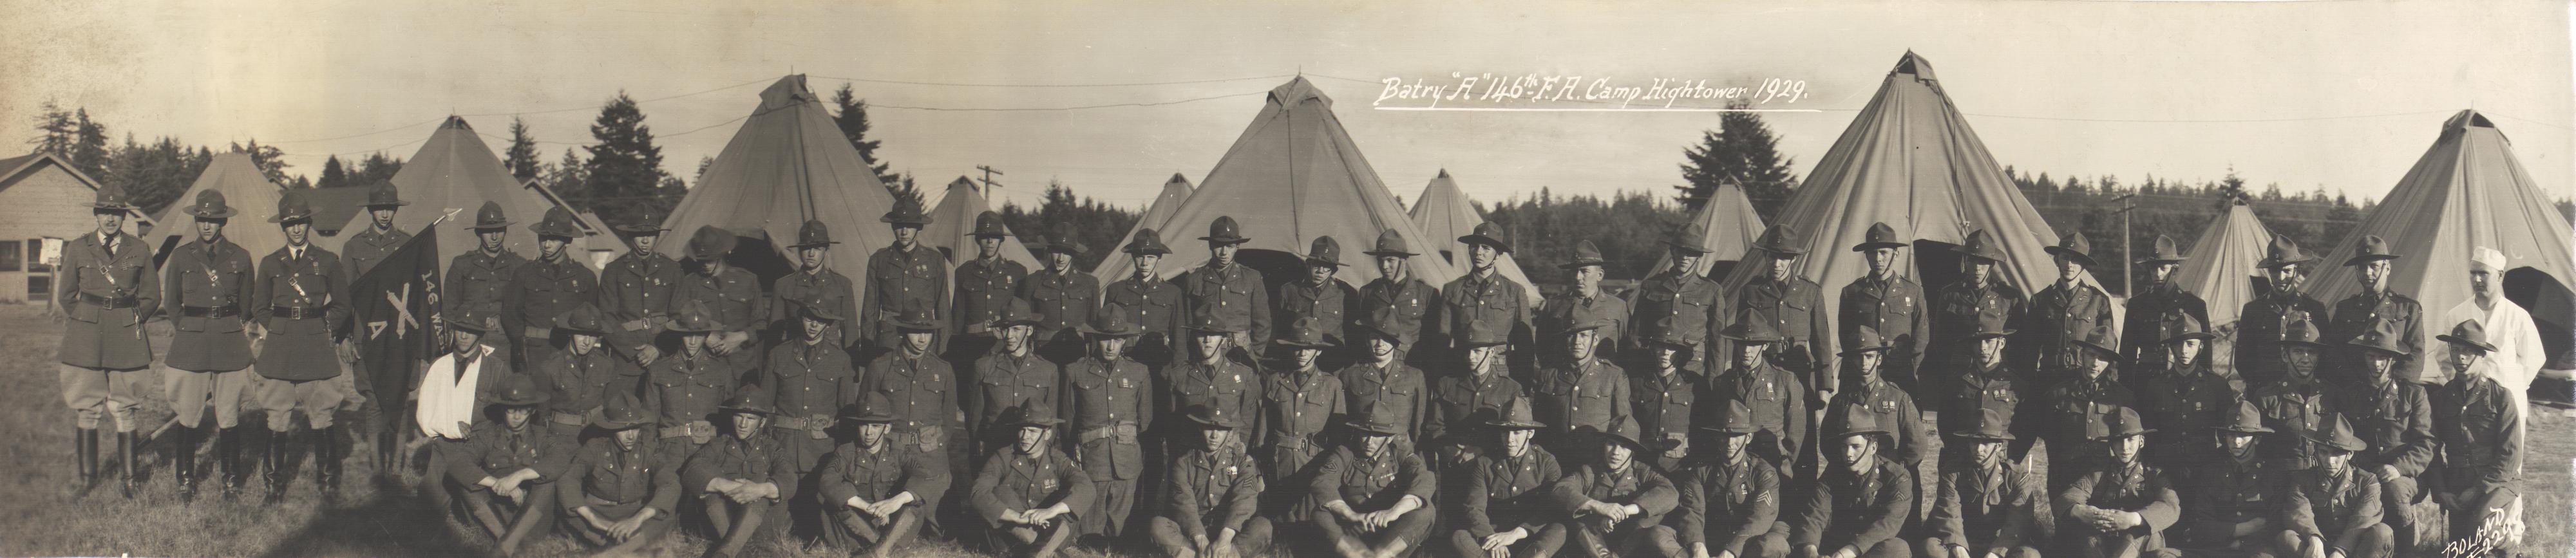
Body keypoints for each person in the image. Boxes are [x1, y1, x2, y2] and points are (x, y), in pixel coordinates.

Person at [253, 190, 356, 503]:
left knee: (322, 414)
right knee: (277, 416)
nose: (296, 229)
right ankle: (273, 487)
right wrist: (279, 329)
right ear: (283, 227)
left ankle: (328, 484)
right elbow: (259, 307)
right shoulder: (270, 263)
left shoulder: (327, 261)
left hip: (315, 345)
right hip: (280, 348)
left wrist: (324, 328)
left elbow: (343, 304)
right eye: (290, 224)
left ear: (310, 224)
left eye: (301, 223)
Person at [160, 190, 255, 502]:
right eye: (202, 219)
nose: (206, 225)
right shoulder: (181, 256)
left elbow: (246, 303)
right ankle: (186, 479)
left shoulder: (241, 257)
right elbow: (172, 302)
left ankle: (231, 479)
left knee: (229, 413)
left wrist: (229, 325)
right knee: (188, 413)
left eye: (213, 220)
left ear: (223, 221)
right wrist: (189, 328)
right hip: (192, 341)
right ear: (196, 220)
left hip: (229, 340)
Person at [2331, 321, 2436, 549]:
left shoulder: (2413, 394)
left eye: (2383, 357)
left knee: (2394, 489)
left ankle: (2407, 551)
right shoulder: (2353, 395)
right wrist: (2365, 469)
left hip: (2406, 476)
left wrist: (2398, 468)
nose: (2377, 364)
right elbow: (2347, 440)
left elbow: (2426, 444)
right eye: (2371, 356)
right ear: (2364, 356)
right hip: (2365, 471)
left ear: (2394, 359)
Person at [339, 183, 419, 475]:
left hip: (399, 336)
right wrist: (344, 336)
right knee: (374, 399)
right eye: (379, 209)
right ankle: (377, 468)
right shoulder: (354, 246)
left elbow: (418, 293)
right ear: (370, 211)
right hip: (368, 335)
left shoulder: (409, 244)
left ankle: (396, 467)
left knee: (399, 399)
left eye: (390, 208)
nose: (385, 214)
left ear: (395, 210)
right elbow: (345, 297)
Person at [2428, 320, 2524, 553]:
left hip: (2497, 482)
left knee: (2482, 530)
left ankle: (2510, 549)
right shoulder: (2442, 398)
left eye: (2468, 351)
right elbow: (2431, 448)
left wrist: (2479, 488)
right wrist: (2442, 491)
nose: (2461, 357)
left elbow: (2510, 455)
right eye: (2456, 350)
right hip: (2458, 482)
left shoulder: (2501, 397)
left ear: (2482, 356)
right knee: (2462, 551)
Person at [857, 306, 960, 523]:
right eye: (916, 332)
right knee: (883, 517)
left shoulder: (943, 369)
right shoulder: (880, 367)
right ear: (902, 332)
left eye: (928, 332)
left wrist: (935, 445)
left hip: (930, 454)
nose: (923, 339)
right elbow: (864, 412)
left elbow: (949, 419)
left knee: (940, 524)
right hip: (892, 452)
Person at [446, 375, 567, 557]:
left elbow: (561, 458)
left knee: (547, 482)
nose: (517, 416)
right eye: (511, 410)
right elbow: (458, 462)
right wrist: (496, 483)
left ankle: (505, 547)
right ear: (503, 409)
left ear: (533, 410)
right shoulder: (489, 434)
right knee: (469, 482)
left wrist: (519, 476)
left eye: (523, 410)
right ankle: (510, 543)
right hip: (494, 514)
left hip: (531, 515)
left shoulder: (542, 436)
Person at [766, 295, 857, 539]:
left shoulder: (841, 359)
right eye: (809, 318)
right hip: (783, 444)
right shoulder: (778, 354)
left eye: (821, 320)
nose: (814, 325)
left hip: (820, 448)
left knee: (816, 514)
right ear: (800, 318)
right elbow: (764, 406)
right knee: (774, 524)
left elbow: (847, 412)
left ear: (829, 324)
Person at [2437, 247, 2546, 449]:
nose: (2477, 279)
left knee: (2509, 457)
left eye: (2484, 273)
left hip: (2508, 402)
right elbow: (2444, 356)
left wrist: (2509, 385)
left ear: (2500, 276)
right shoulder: (2456, 315)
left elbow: (2534, 359)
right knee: (2470, 457)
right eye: (2473, 273)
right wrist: (2464, 382)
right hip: (2468, 402)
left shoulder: (2517, 316)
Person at [819, 393, 951, 558]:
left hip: (893, 523)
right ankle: (886, 548)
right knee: (835, 501)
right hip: (858, 523)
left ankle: (876, 552)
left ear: (886, 428)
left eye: (875, 426)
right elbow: (827, 481)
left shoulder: (899, 451)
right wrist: (865, 507)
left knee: (915, 501)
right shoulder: (846, 452)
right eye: (864, 425)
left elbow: (925, 477)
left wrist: (896, 501)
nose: (869, 432)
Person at [1064, 304, 1155, 542]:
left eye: (1117, 340)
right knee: (1090, 534)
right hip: (1093, 461)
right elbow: (1068, 422)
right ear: (1096, 338)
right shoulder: (1075, 372)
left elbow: (1145, 421)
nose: (1111, 346)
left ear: (1125, 340)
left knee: (1120, 533)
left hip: (1127, 461)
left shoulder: (1139, 372)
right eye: (1105, 339)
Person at [560, 391, 683, 553]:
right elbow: (568, 479)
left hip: (634, 513)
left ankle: (610, 552)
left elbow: (670, 483)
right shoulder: (594, 447)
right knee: (570, 508)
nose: (631, 436)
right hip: (599, 512)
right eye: (623, 429)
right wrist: (593, 519)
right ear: (611, 428)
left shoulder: (649, 449)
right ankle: (626, 547)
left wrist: (638, 519)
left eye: (635, 428)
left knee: (666, 511)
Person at [1442, 398, 1566, 558]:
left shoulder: (1546, 462)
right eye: (1505, 432)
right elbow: (1474, 508)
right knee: (1459, 537)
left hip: (1529, 538)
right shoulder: (1485, 463)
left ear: (1530, 433)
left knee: (1559, 530)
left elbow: (1552, 508)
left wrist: (1516, 533)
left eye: (1517, 432)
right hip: (1495, 537)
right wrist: (1491, 538)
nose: (1509, 440)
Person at [969, 402, 1094, 558]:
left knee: (1069, 499)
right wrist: (1016, 517)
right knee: (1000, 492)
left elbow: (1087, 488)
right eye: (1022, 429)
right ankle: (1047, 552)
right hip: (1012, 535)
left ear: (1047, 434)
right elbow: (978, 493)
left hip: (1049, 529)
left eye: (1032, 431)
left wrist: (1051, 511)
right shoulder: (1003, 457)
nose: (1025, 436)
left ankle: (1039, 552)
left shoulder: (1058, 460)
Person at [1311, 404, 1437, 558]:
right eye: (1365, 434)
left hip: (1389, 531)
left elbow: (1425, 479)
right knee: (1320, 514)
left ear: (1390, 438)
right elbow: (1323, 483)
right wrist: (1350, 514)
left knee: (1427, 511)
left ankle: (1380, 556)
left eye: (1377, 435)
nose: (1369, 442)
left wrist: (1395, 511)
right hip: (1354, 530)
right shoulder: (1345, 453)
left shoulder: (1400, 454)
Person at [683, 385, 793, 558]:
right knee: (711, 490)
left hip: (761, 528)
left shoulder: (772, 449)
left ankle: (724, 553)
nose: (743, 424)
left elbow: (789, 480)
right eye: (739, 416)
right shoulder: (719, 445)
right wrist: (725, 486)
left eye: (750, 418)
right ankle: (735, 553)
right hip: (724, 523)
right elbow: (692, 469)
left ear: (762, 422)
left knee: (761, 490)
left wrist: (759, 490)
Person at [2054, 407, 2181, 558]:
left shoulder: (2155, 474)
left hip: (2141, 546)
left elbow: (2170, 506)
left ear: (2141, 441)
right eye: (2118, 440)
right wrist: (2083, 512)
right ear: (2111, 444)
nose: (2125, 447)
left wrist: (2133, 519)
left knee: (2143, 536)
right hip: (2106, 543)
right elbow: (2067, 497)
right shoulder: (2100, 472)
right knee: (2087, 540)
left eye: (2130, 439)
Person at [1152, 405, 1274, 558]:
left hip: (1230, 531)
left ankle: (1228, 555)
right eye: (1209, 428)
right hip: (1193, 533)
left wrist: (1225, 538)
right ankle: (1200, 555)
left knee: (1263, 527)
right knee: (1157, 526)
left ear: (1229, 433)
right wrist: (1200, 539)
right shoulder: (1183, 463)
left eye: (1221, 429)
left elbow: (1244, 500)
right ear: (1200, 428)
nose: (1214, 436)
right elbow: (1184, 504)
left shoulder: (1242, 462)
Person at [1821, 326, 1927, 499]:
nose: (1864, 362)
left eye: (1869, 356)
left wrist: (1896, 470)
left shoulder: (1898, 398)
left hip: (1890, 482)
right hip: (1854, 482)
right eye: (1859, 357)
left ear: (1879, 359)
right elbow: (1828, 443)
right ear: (1851, 360)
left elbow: (1917, 445)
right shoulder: (1841, 402)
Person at [1259, 315, 1344, 528]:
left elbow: (1338, 436)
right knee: (1281, 521)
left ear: (1319, 351)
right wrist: (1260, 466)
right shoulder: (1275, 381)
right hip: (1280, 461)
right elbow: (1263, 429)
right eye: (1297, 347)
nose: (1303, 353)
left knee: (1311, 521)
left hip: (1314, 462)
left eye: (1309, 348)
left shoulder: (1331, 385)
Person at [2170, 402, 2286, 558]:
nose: (2236, 441)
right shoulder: (2212, 472)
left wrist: (2242, 543)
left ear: (2257, 439)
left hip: (2255, 550)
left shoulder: (2273, 474)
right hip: (2217, 549)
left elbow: (2275, 525)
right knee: (2162, 555)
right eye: (2231, 435)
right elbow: (2200, 526)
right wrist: (2244, 528)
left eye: (2243, 435)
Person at [420, 310, 507, 516]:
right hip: (446, 445)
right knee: (429, 508)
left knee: (479, 510)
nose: (464, 336)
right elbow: (424, 413)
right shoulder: (440, 365)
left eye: (471, 331)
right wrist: (450, 426)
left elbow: (506, 414)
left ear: (480, 334)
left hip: (481, 447)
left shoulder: (496, 367)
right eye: (459, 329)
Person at [1733, 225, 1833, 404]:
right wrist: (1737, 379)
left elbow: (1821, 343)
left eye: (1784, 258)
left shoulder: (1810, 292)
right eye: (1772, 256)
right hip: (1763, 371)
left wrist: (1824, 386)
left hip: (1800, 373)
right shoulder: (1751, 291)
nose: (1777, 264)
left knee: (1801, 420)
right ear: (1765, 255)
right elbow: (1740, 340)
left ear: (1793, 258)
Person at [1678, 400, 1790, 558]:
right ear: (1716, 437)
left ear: (1749, 437)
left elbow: (1760, 519)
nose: (1730, 442)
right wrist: (1698, 547)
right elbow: (1692, 512)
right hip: (1716, 537)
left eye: (1737, 435)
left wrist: (1731, 552)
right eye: (1724, 435)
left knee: (1774, 545)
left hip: (1750, 541)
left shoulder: (1764, 473)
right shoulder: (1700, 471)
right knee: (1660, 537)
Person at [1550, 426, 1684, 558]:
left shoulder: (1643, 472)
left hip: (1633, 546)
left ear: (1633, 451)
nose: (1616, 452)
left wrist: (1624, 511)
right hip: (1596, 544)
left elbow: (1670, 493)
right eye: (1611, 444)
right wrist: (1599, 507)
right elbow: (1560, 490)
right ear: (1604, 445)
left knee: (1654, 519)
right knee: (1578, 515)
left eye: (1624, 446)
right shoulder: (1589, 471)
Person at [1926, 230, 2026, 404]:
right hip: (1961, 374)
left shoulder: (2008, 297)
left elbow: (2021, 341)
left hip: (1996, 374)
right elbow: (1940, 338)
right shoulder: (1951, 294)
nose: (1977, 268)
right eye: (1972, 260)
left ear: (1992, 264)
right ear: (1965, 261)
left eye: (1983, 262)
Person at [1792, 414, 1914, 558]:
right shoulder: (1833, 473)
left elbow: (1887, 525)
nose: (1848, 454)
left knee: (1897, 549)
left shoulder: (1897, 477)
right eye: (1844, 446)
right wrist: (1811, 552)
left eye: (1856, 447)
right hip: (1836, 545)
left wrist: (1847, 553)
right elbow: (1815, 514)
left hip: (1869, 549)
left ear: (1873, 447)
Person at [1924, 407, 2039, 558]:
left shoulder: (2016, 476)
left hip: (1999, 542)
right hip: (1964, 540)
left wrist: (1995, 553)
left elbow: (2018, 523)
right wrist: (1959, 548)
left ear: (1998, 446)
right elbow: (1949, 513)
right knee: (1931, 548)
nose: (1979, 449)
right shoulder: (1953, 472)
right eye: (1974, 441)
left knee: (2029, 555)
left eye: (1986, 443)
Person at [645, 301, 739, 485]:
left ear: (706, 335)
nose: (693, 341)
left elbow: (728, 421)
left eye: (699, 335)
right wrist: (650, 455)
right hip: (668, 453)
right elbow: (649, 419)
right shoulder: (659, 370)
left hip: (707, 452)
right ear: (680, 334)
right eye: (688, 335)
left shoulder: (721, 370)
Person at [2138, 311, 2242, 472]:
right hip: (2166, 469)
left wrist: (2220, 471)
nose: (2184, 350)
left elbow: (2227, 434)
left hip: (2206, 469)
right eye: (2179, 344)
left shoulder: (2217, 386)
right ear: (2171, 347)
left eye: (2190, 344)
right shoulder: (2156, 386)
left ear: (2201, 347)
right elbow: (2149, 436)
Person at [2037, 324, 2135, 492]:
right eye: (2091, 355)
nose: (2095, 363)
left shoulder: (2123, 398)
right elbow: (2050, 440)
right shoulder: (2058, 394)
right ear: (2081, 355)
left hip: (2105, 480)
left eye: (2102, 358)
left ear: (2110, 363)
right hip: (2066, 478)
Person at [2278, 416, 2393, 558]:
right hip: (2318, 550)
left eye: (2337, 453)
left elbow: (2363, 519)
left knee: (2382, 532)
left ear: (2350, 454)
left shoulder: (2367, 481)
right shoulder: (2302, 480)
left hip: (2354, 549)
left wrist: (2341, 551)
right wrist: (2315, 539)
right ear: (2316, 452)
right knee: (2287, 537)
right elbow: (2299, 513)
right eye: (2324, 452)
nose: (2330, 461)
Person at [1710, 319, 1808, 476]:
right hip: (1734, 468)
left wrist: (1785, 463)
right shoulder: (1723, 383)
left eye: (1753, 344)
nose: (1746, 350)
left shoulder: (1785, 381)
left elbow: (1795, 432)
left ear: (1766, 345)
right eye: (1742, 344)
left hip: (1773, 466)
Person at [1531, 313, 1633, 465]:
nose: (1577, 341)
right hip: (1557, 461)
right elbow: (1539, 424)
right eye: (1571, 335)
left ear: (1595, 340)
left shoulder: (1613, 375)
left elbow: (1623, 426)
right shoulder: (1549, 375)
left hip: (1596, 463)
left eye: (1584, 335)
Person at [1839, 223, 1929, 394]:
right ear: (1866, 256)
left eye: (1884, 252)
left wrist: (1915, 374)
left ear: (1896, 254)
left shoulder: (1913, 291)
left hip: (1900, 374)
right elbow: (1846, 337)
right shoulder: (1852, 293)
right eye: (1873, 253)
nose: (1878, 259)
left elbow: (1921, 339)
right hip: (1863, 375)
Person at [1423, 319, 1524, 469]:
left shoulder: (1510, 389)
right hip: (1455, 466)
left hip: (1492, 467)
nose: (1470, 356)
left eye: (1477, 351)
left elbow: (1515, 434)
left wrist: (1480, 451)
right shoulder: (1446, 384)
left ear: (1491, 352)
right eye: (1467, 350)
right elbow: (1434, 427)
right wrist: (1453, 453)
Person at [2322, 236, 2423, 386]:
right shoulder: (2345, 308)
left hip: (2394, 391)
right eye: (2362, 267)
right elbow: (2334, 352)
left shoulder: (2408, 308)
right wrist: (2354, 387)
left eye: (2374, 266)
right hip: (2353, 391)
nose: (2368, 272)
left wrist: (2394, 389)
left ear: (2387, 268)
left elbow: (2415, 356)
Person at [505, 207, 599, 366]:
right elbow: (511, 316)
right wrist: (521, 347)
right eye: (543, 238)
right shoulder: (524, 274)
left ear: (568, 241)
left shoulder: (585, 277)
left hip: (569, 353)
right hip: (533, 354)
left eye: (554, 239)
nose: (547, 245)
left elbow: (592, 318)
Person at [969, 299, 1061, 460]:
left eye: (1016, 329)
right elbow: (975, 418)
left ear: (1029, 330)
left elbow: (1051, 420)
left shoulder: (1048, 370)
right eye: (1005, 329)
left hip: (1031, 453)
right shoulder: (984, 367)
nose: (1009, 336)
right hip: (994, 452)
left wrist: (1042, 455)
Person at [533, 305, 637, 444]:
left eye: (593, 336)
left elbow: (611, 409)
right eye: (582, 334)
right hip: (559, 439)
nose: (587, 342)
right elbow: (542, 416)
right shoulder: (551, 367)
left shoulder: (606, 365)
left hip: (595, 436)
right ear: (570, 333)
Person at [1939, 313, 2033, 466]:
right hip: (1964, 462)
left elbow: (2026, 429)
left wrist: (2012, 460)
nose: (1982, 347)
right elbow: (1946, 424)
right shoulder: (1958, 382)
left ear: (2002, 343)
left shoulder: (2016, 385)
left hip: (2002, 462)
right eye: (1977, 341)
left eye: (1989, 341)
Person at [1632, 226, 1727, 378]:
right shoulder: (1652, 286)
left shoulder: (1711, 290)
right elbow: (1637, 333)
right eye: (1680, 251)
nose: (1685, 257)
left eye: (1691, 253)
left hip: (1693, 370)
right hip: (1656, 367)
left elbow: (1717, 341)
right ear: (1672, 251)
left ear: (1699, 256)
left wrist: (1715, 379)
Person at [1441, 221, 1534, 373]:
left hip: (1501, 374)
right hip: (1462, 372)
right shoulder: (1453, 290)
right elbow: (1442, 341)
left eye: (1486, 248)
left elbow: (1525, 346)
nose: (1478, 252)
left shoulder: (1514, 292)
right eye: (1474, 246)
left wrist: (1522, 383)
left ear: (1498, 254)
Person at [677, 226, 768, 381]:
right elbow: (679, 321)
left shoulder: (748, 280)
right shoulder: (689, 284)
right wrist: (705, 336)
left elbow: (762, 323)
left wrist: (741, 336)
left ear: (722, 255)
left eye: (710, 260)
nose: (705, 265)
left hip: (742, 367)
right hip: (706, 366)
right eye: (701, 260)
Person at [2237, 236, 2329, 386]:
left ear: (2298, 271)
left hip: (2303, 390)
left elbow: (2325, 356)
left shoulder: (2314, 309)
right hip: (2264, 390)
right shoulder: (2253, 310)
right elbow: (2242, 360)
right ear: (2269, 272)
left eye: (2287, 271)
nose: (2281, 277)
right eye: (2275, 271)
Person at [2023, 232, 2114, 382]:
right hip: (2049, 379)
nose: (2069, 264)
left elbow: (2108, 347)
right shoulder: (2041, 300)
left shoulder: (2098, 300)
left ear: (2083, 265)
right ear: (2057, 260)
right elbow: (2030, 349)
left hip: (2083, 379)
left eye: (2075, 259)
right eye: (2065, 258)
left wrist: (2108, 382)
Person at [862, 200, 949, 353]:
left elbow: (943, 308)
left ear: (919, 227)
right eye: (899, 226)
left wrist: (942, 349)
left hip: (923, 338)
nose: (904, 232)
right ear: (892, 226)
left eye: (910, 226)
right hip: (889, 340)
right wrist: (869, 349)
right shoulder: (879, 260)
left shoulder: (934, 259)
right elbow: (870, 310)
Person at [596, 209, 681, 368]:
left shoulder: (672, 269)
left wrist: (658, 348)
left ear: (657, 236)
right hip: (626, 357)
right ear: (630, 236)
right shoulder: (614, 270)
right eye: (640, 235)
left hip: (663, 355)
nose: (645, 240)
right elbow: (606, 317)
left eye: (650, 235)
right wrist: (633, 350)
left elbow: (679, 315)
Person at [1169, 310, 1265, 447]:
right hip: (1190, 453)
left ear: (1224, 339)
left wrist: (1242, 451)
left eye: (1213, 334)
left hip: (1230, 454)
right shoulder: (1179, 375)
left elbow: (1249, 422)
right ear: (1194, 337)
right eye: (1202, 334)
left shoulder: (1244, 375)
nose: (1207, 340)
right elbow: (1172, 425)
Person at [2250, 317, 2334, 474]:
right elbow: (2257, 450)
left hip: (2321, 477)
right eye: (2298, 351)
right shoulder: (2267, 398)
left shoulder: (2331, 395)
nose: (2306, 359)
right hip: (2281, 479)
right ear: (2285, 356)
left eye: (2312, 352)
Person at [2119, 236, 2208, 382]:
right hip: (2146, 382)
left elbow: (2205, 354)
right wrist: (2126, 388)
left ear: (2175, 270)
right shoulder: (2137, 305)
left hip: (2182, 380)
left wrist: (2203, 384)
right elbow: (2127, 353)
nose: (2158, 274)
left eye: (2163, 268)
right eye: (2153, 268)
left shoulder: (2194, 305)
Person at [1180, 216, 1273, 356]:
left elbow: (1263, 323)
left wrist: (1255, 356)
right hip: (1206, 354)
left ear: (1237, 247)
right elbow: (1188, 324)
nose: (1224, 252)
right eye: (1219, 245)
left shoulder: (1251, 278)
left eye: (1230, 246)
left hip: (1242, 355)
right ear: (1210, 245)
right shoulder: (1194, 280)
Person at [1340, 308, 1429, 447]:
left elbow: (1419, 424)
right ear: (1367, 340)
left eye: (1386, 338)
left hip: (1401, 451)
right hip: (1363, 449)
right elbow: (1343, 423)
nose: (1380, 344)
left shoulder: (1414, 377)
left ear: (1396, 342)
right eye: (1374, 337)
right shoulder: (1350, 376)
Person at [954, 211, 1032, 366]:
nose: (990, 242)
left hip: (1005, 345)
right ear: (977, 239)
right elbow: (958, 316)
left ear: (1001, 240)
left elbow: (1024, 315)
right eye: (985, 237)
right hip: (972, 345)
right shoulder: (964, 272)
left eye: (995, 237)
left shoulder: (1017, 272)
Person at [1631, 325, 1711, 473]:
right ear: (1653, 349)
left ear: (1680, 352)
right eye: (1661, 346)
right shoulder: (1638, 382)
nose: (1666, 352)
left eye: (1672, 348)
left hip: (1681, 467)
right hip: (1643, 464)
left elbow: (1704, 431)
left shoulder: (1695, 384)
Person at [1356, 228, 1441, 366]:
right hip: (1378, 365)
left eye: (1391, 260)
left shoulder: (1426, 294)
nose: (1385, 266)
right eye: (1380, 260)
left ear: (1404, 260)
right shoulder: (1368, 292)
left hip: (1413, 366)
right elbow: (1362, 335)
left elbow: (1433, 341)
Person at [772, 219, 858, 349]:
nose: (811, 254)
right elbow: (774, 333)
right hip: (795, 355)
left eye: (817, 248)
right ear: (800, 250)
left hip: (831, 356)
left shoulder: (842, 285)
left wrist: (852, 361)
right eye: (806, 248)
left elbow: (850, 332)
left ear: (827, 251)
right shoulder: (784, 285)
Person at [1104, 228, 1183, 369]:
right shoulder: (1116, 290)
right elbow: (1105, 333)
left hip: (1161, 363)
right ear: (1133, 257)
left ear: (1159, 258)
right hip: (1126, 360)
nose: (1145, 263)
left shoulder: (1172, 292)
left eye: (1151, 257)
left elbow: (1179, 338)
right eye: (1140, 257)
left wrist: (1178, 370)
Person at [1540, 240, 1628, 364]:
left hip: (1603, 375)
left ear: (1600, 275)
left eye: (1584, 271)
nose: (1578, 277)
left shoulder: (1618, 307)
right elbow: (1542, 347)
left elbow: (1626, 350)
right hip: (1563, 374)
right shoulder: (1554, 305)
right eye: (1574, 271)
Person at [1023, 226, 1100, 364]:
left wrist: (1094, 358)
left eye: (1066, 252)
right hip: (1043, 353)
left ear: (1074, 254)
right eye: (1057, 251)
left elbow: (1094, 325)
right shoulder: (1033, 281)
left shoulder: (1089, 283)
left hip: (1077, 354)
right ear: (1049, 251)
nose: (1060, 258)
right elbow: (1025, 323)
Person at [446, 201, 524, 335]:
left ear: (505, 231)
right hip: (470, 337)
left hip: (506, 339)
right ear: (478, 232)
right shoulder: (462, 265)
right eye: (488, 231)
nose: (494, 237)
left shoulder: (518, 265)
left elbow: (526, 308)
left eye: (499, 230)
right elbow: (450, 310)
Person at [1278, 236, 1357, 366]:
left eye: (1327, 267)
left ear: (1334, 270)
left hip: (1333, 362)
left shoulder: (1345, 294)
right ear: (1308, 264)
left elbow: (1352, 335)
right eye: (1316, 265)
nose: (1321, 271)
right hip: (1299, 361)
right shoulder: (1290, 290)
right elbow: (1281, 329)